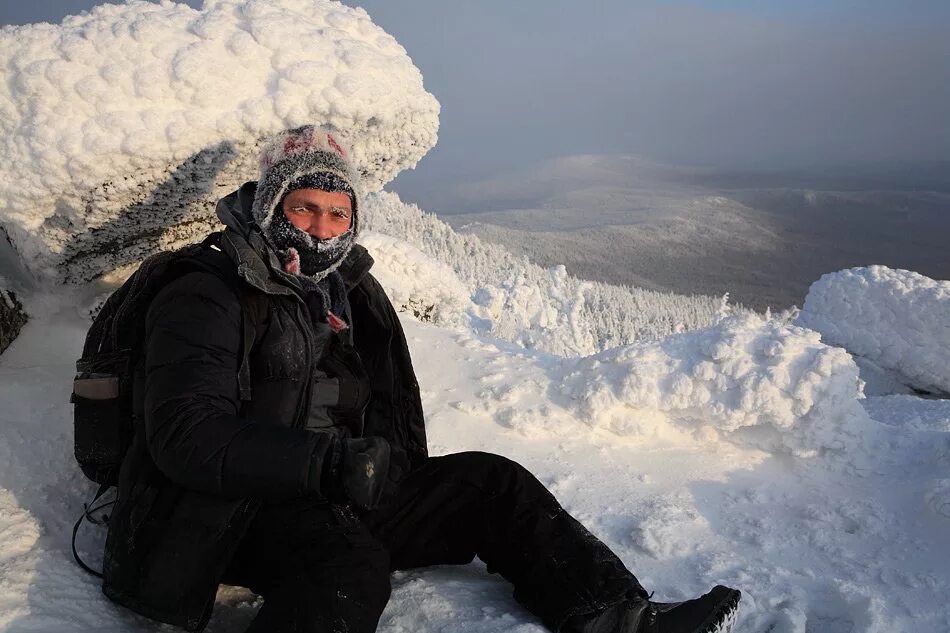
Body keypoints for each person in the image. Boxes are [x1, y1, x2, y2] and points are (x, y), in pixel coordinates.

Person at [100, 125, 741, 633]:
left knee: (490, 481)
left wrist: (381, 468)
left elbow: (378, 398)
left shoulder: (344, 290)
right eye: (304, 209)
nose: (322, 229)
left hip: (331, 486)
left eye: (337, 213)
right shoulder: (208, 293)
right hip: (227, 510)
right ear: (271, 208)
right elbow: (186, 435)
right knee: (349, 564)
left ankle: (617, 618)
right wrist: (326, 464)